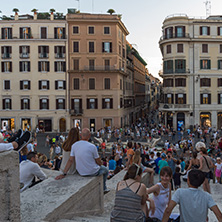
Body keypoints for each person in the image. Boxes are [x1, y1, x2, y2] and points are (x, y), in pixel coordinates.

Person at [55, 128, 109, 193]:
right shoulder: (92, 146)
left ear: (81, 135)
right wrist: (101, 164)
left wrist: (64, 173)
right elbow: (98, 161)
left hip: (80, 172)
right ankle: (104, 188)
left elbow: (70, 160)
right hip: (91, 172)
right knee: (106, 170)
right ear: (89, 136)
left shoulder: (74, 145)